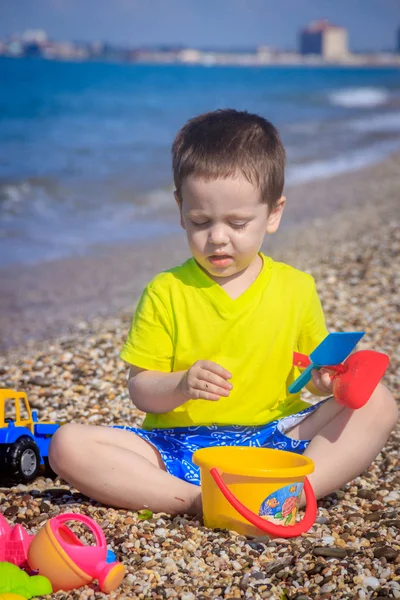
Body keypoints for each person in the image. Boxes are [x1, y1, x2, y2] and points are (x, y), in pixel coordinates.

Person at [49, 109, 397, 518]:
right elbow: (140, 388)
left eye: (237, 222)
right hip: (180, 449)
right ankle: (200, 502)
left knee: (378, 402)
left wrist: (326, 381)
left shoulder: (296, 288)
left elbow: (309, 376)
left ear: (274, 214)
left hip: (276, 439)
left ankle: (293, 494)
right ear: (180, 210)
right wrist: (181, 384)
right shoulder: (167, 292)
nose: (218, 237)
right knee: (67, 444)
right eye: (200, 221)